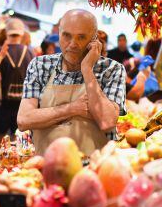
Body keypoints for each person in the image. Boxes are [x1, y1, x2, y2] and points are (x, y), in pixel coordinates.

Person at [18, 9, 126, 154]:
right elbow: (24, 120)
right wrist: (73, 108)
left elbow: (106, 121)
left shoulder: (111, 69)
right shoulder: (40, 65)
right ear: (59, 34)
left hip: (96, 167)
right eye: (67, 36)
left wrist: (87, 70)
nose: (73, 44)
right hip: (45, 167)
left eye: (81, 37)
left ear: (94, 40)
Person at [0, 19, 34, 147]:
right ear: (22, 33)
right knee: (21, 143)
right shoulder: (30, 52)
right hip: (23, 105)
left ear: (6, 33)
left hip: (3, 105)